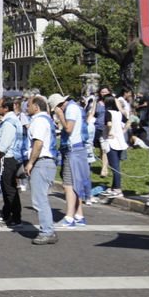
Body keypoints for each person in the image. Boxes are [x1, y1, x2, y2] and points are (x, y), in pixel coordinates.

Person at [22, 96, 59, 245]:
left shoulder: (38, 121)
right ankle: (48, 230)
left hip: (42, 162)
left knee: (39, 200)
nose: (26, 108)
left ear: (36, 107)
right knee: (41, 198)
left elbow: (38, 143)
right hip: (47, 162)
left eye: (28, 105)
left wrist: (30, 162)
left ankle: (47, 232)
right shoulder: (46, 120)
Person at [50, 93, 91, 227]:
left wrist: (61, 116)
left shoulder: (71, 109)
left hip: (73, 149)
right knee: (76, 183)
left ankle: (69, 218)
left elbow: (68, 128)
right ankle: (79, 215)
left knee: (68, 185)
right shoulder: (75, 107)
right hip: (77, 149)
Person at [0, 97, 25, 227]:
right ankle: (7, 213)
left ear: (6, 108)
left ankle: (16, 217)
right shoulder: (14, 120)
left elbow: (3, 146)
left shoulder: (8, 123)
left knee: (10, 189)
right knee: (7, 188)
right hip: (13, 157)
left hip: (9, 158)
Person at [103, 99, 129, 197]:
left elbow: (109, 123)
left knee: (115, 167)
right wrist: (123, 131)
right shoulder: (119, 113)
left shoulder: (108, 113)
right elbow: (129, 121)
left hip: (111, 142)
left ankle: (118, 189)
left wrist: (109, 132)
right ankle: (114, 186)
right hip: (120, 142)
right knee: (117, 165)